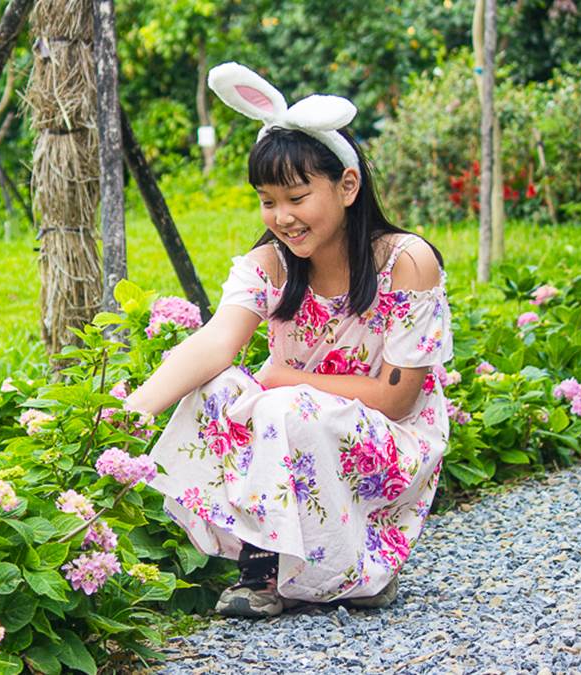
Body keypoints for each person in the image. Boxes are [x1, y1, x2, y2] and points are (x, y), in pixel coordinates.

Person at [124, 63, 453, 618]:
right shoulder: (271, 264)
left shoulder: (404, 261)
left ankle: (356, 566)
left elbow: (398, 399)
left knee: (283, 405)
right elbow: (214, 343)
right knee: (216, 390)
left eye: (297, 197)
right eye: (267, 200)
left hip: (390, 442)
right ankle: (263, 563)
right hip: (296, 422)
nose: (282, 217)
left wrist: (288, 380)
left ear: (347, 186)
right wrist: (125, 414)